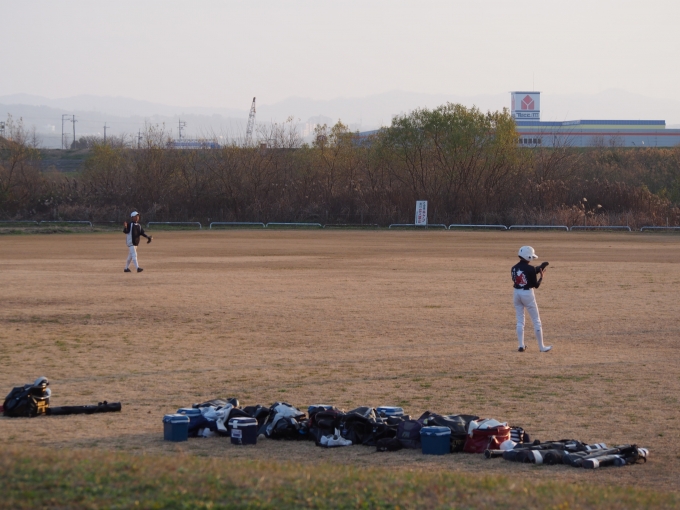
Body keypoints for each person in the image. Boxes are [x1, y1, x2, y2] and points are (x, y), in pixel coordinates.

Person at [511, 246, 551, 353]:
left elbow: (525, 273)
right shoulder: (531, 269)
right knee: (536, 320)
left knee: (520, 320)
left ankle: (521, 345)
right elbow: (535, 285)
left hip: (516, 293)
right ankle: (541, 347)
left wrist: (538, 269)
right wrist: (541, 277)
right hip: (527, 294)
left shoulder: (514, 268)